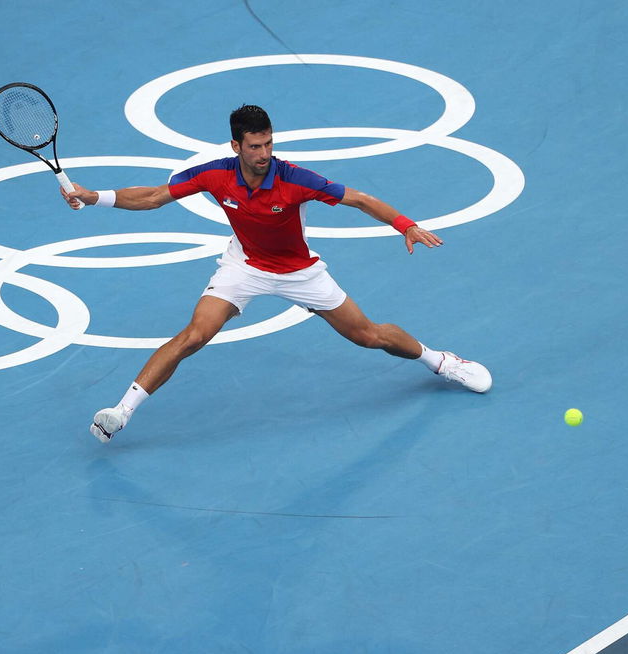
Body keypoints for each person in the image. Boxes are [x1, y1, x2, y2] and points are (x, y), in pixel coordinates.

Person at [61, 105, 491, 443]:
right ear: (236, 146)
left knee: (368, 336)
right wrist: (94, 196)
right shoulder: (213, 175)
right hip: (244, 266)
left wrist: (406, 225)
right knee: (195, 334)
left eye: (267, 144)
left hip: (299, 272)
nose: (264, 154)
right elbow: (154, 196)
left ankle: (442, 362)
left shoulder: (294, 179)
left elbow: (358, 199)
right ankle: (120, 412)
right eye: (254, 146)